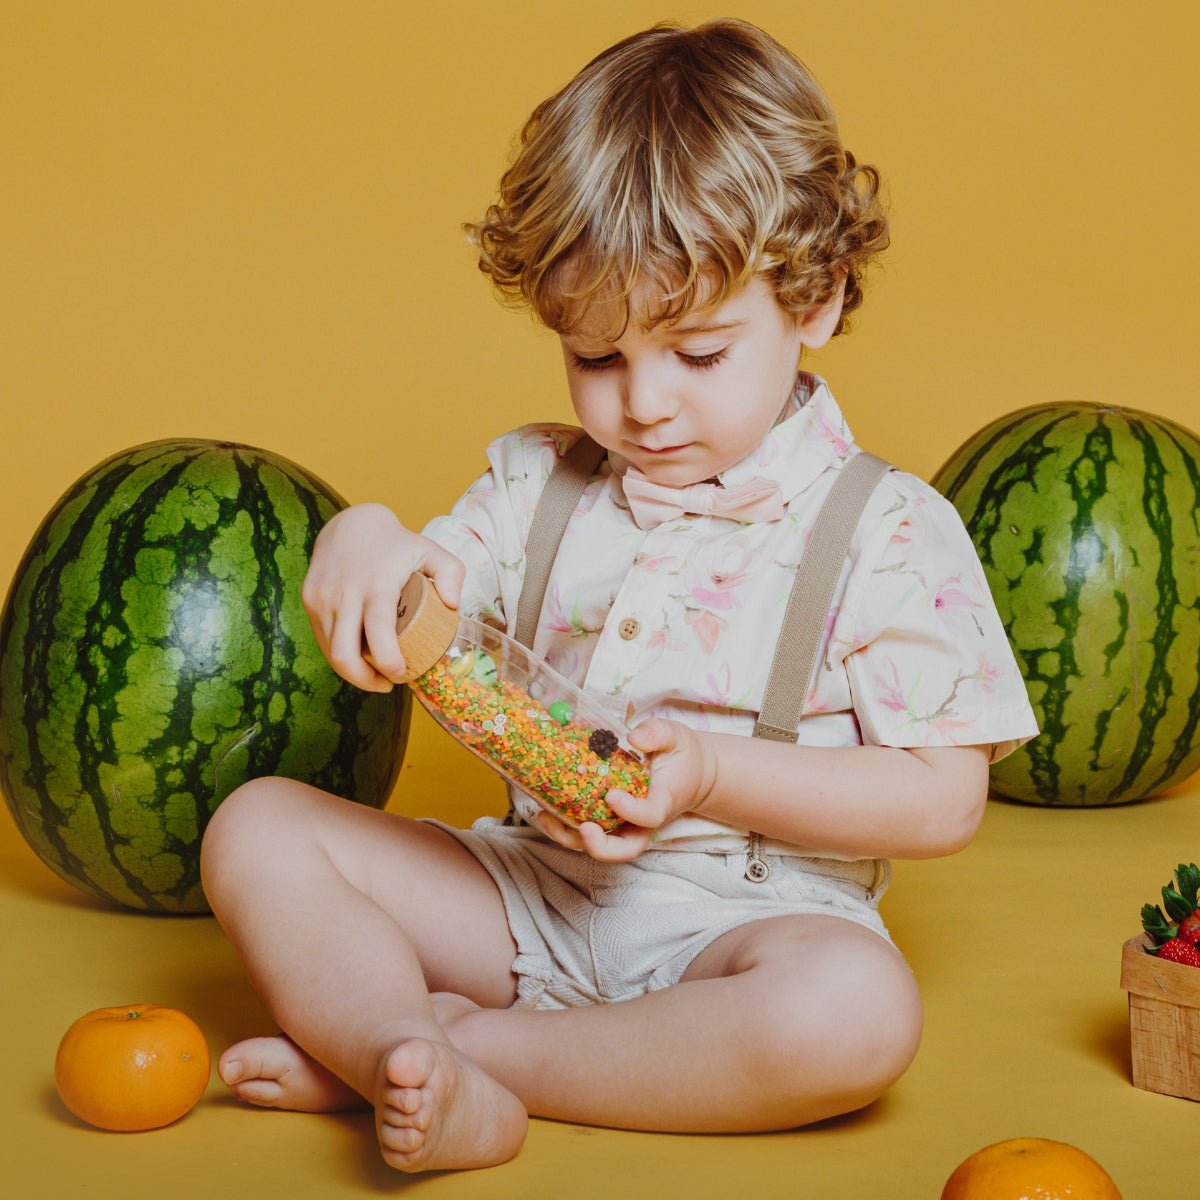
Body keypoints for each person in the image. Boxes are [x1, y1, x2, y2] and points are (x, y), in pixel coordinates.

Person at [200, 18, 1038, 1174]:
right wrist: (363, 538)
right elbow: (428, 588)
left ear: (818, 301)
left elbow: (943, 801)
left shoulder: (887, 530)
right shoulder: (539, 482)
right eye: (597, 358)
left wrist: (709, 774)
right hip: (525, 899)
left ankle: (462, 1053)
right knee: (257, 828)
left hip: (743, 935)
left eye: (697, 354)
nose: (642, 407)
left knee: (856, 1014)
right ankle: (400, 1051)